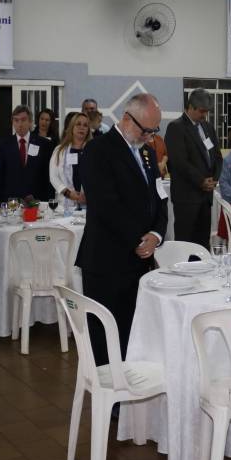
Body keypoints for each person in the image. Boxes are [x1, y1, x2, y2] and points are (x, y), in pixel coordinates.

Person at [77, 93, 167, 366]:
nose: (150, 137)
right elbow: (105, 206)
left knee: (134, 332)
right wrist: (138, 240)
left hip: (139, 261)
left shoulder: (147, 153)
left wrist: (156, 235)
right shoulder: (98, 151)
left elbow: (160, 198)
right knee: (107, 337)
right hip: (107, 260)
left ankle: (131, 385)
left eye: (154, 130)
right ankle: (108, 388)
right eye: (146, 130)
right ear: (127, 119)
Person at [165, 88, 223, 249]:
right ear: (190, 107)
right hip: (187, 197)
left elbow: (217, 157)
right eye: (202, 111)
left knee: (203, 243)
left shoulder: (208, 127)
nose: (205, 115)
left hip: (206, 196)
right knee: (186, 243)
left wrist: (214, 179)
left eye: (207, 111)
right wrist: (201, 181)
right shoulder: (176, 127)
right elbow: (179, 162)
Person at [0, 105, 53, 203]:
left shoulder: (44, 144)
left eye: (23, 120)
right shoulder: (4, 145)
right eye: (16, 120)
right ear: (12, 122)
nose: (20, 124)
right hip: (11, 202)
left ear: (30, 122)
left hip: (37, 200)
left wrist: (48, 202)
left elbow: (48, 176)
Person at [50, 112, 90, 211]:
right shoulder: (59, 150)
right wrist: (68, 193)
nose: (82, 127)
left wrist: (89, 195)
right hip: (64, 205)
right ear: (72, 127)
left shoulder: (94, 151)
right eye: (78, 124)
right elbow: (53, 177)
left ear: (88, 130)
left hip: (88, 205)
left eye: (85, 125)